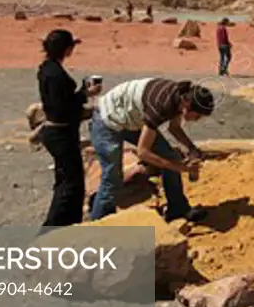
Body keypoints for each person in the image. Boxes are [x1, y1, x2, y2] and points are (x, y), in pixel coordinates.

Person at [89, 78, 213, 223]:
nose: (196, 120)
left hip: (130, 118)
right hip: (107, 120)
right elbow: (143, 152)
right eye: (197, 116)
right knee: (112, 177)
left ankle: (178, 209)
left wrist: (192, 148)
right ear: (187, 106)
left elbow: (174, 128)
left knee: (170, 156)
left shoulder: (179, 97)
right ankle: (99, 226)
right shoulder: (162, 105)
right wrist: (180, 167)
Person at [37, 29, 101, 228]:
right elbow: (62, 107)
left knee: (66, 181)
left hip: (58, 132)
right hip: (61, 133)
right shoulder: (55, 74)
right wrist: (84, 94)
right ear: (67, 48)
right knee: (70, 187)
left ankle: (66, 226)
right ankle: (51, 230)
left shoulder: (47, 68)